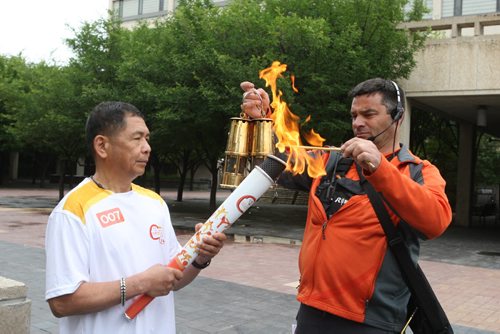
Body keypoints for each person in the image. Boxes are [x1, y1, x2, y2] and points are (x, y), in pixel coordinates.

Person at [241, 79, 452, 333]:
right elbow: (279, 160)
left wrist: (381, 168)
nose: (357, 123)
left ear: (398, 117)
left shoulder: (418, 171)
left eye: (368, 114)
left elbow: (435, 221)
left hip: (370, 322)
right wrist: (264, 120)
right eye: (354, 115)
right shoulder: (331, 161)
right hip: (311, 309)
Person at [45, 101, 226, 334]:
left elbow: (174, 279)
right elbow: (62, 302)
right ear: (102, 146)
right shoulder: (72, 210)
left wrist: (200, 258)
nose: (147, 147)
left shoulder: (155, 203)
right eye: (137, 138)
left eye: (147, 138)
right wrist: (141, 283)